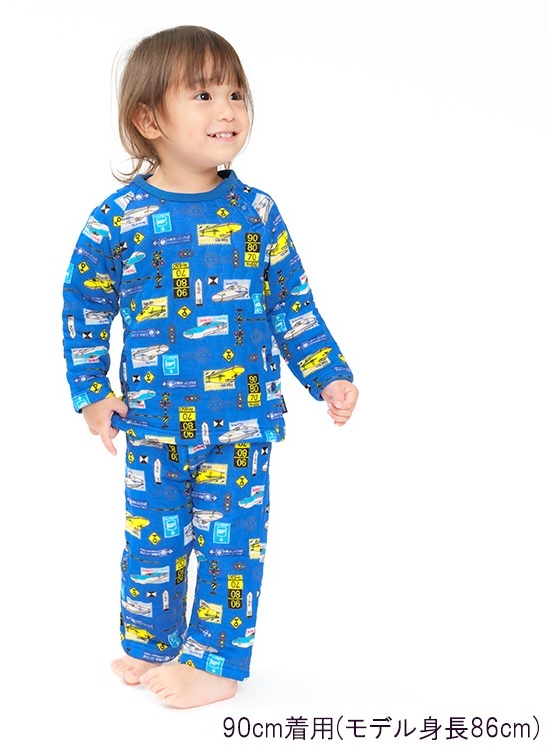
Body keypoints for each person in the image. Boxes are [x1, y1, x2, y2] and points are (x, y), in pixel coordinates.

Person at [61, 25, 359, 709]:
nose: (227, 110)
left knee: (230, 553)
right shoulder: (118, 219)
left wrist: (329, 375)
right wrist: (91, 391)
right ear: (149, 119)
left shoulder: (256, 213)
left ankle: (216, 666)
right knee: (152, 546)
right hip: (153, 425)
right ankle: (152, 644)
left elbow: (292, 305)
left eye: (235, 94)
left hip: (241, 426)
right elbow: (85, 304)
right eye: (202, 95)